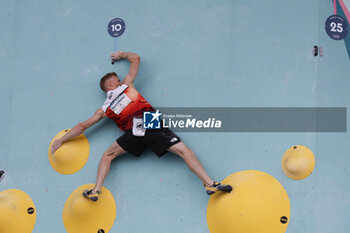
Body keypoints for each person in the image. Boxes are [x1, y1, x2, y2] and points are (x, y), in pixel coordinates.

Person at [51, 51, 232, 201]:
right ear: (110, 83)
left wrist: (61, 140)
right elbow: (135, 58)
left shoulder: (104, 108)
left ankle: (96, 190)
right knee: (185, 151)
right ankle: (210, 184)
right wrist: (121, 54)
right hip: (150, 123)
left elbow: (83, 126)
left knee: (108, 155)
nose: (121, 79)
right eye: (117, 78)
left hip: (135, 131)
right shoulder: (126, 86)